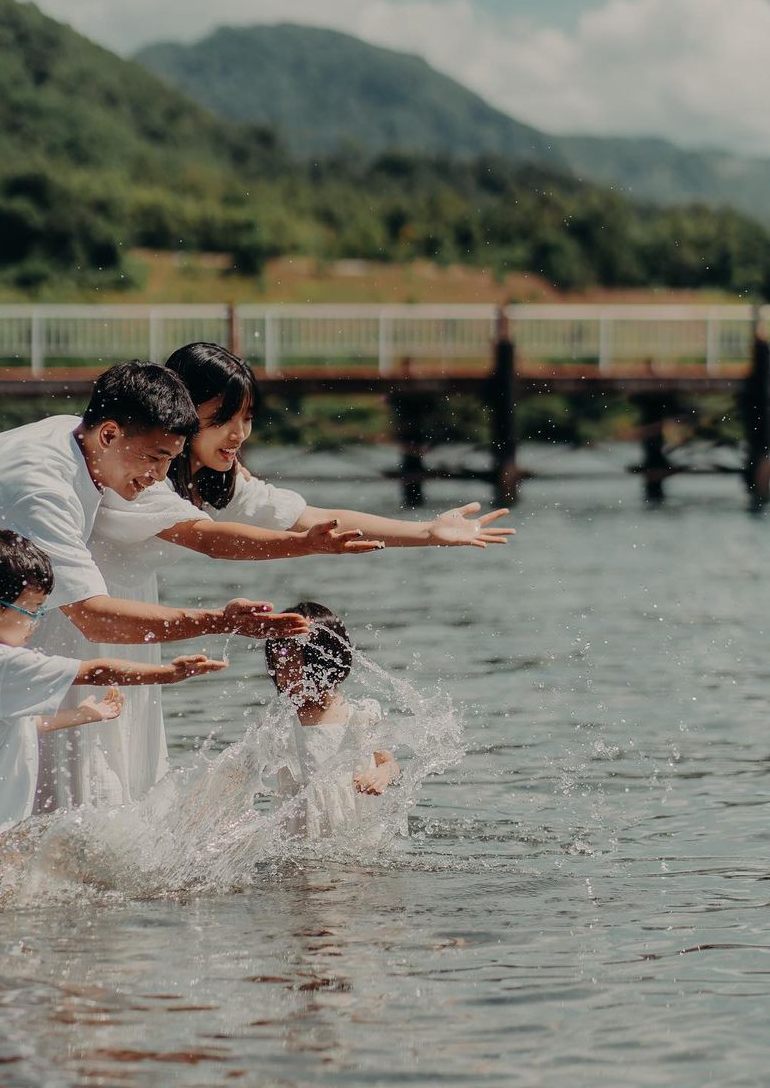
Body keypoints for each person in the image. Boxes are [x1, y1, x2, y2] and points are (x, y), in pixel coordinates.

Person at [0, 359, 354, 878]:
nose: (160, 477)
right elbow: (95, 619)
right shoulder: (42, 487)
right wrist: (219, 620)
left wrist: (301, 541)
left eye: (170, 460)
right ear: (111, 433)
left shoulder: (88, 445)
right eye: (155, 459)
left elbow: (197, 533)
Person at [33, 343, 513, 812]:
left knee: (126, 778)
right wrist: (305, 547)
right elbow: (211, 539)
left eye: (246, 417)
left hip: (137, 621)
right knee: (84, 772)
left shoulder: (214, 478)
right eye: (222, 417)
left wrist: (426, 531)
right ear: (180, 409)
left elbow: (312, 515)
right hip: (82, 617)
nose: (239, 433)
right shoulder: (141, 474)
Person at [0, 529, 225, 873]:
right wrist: (167, 673)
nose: (36, 624)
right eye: (33, 611)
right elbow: (97, 671)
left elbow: (16, 727)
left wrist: (81, 714)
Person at [264, 601, 398, 841]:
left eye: (294, 664)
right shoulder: (280, 723)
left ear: (326, 662)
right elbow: (242, 771)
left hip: (355, 834)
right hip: (296, 838)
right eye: (278, 664)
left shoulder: (359, 715)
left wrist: (382, 775)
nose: (285, 677)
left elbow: (389, 762)